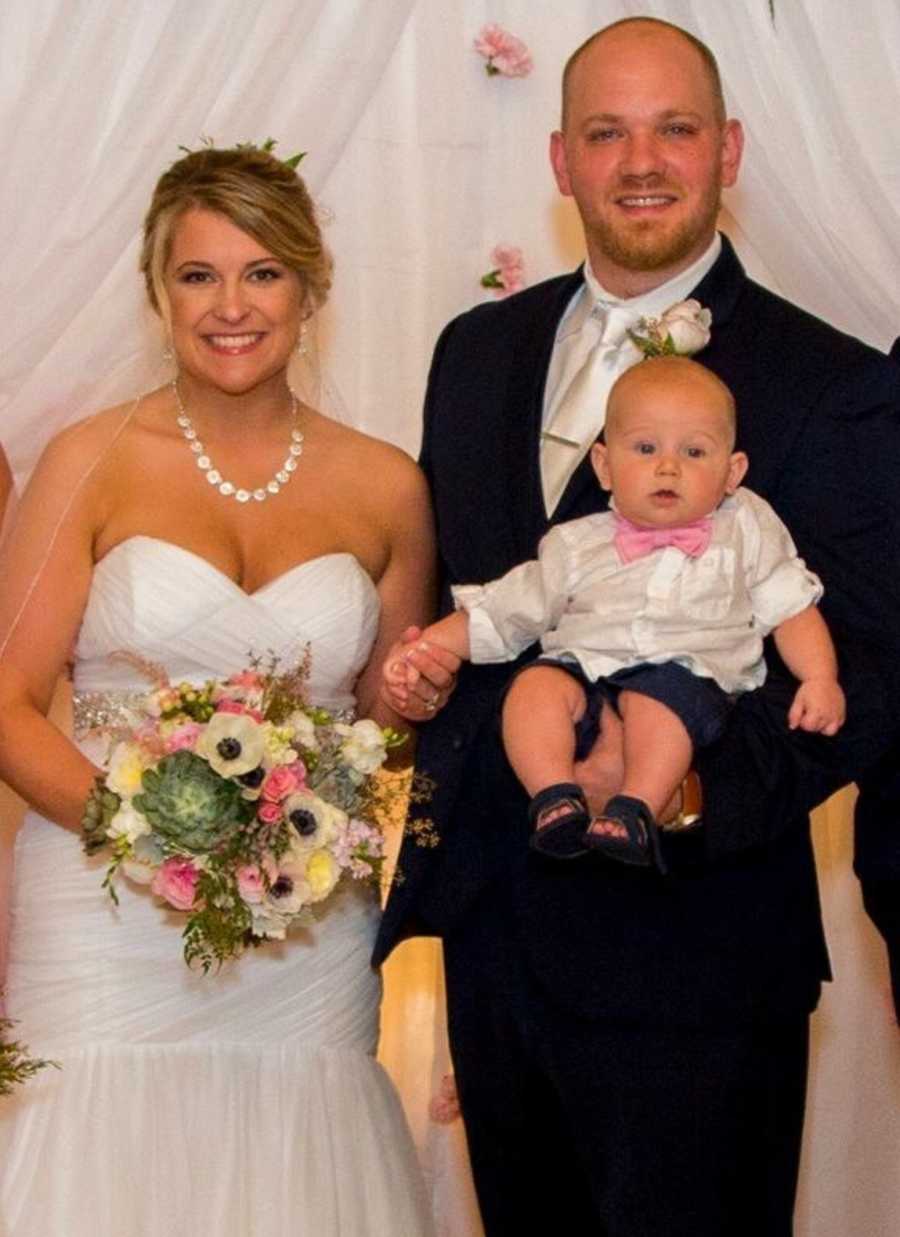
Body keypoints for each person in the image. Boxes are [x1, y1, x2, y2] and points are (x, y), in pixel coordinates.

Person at [376, 17, 900, 1237]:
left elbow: (866, 672)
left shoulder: (830, 381)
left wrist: (688, 796)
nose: (641, 160)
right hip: (498, 948)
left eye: (673, 129)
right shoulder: (475, 352)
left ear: (729, 148)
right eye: (607, 132)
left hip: (700, 960)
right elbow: (477, 599)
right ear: (560, 161)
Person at [0, 145, 435, 1235]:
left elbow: (384, 729)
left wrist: (394, 723)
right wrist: (148, 835)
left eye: (263, 272)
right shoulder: (90, 460)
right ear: (158, 293)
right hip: (106, 917)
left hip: (304, 929)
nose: (231, 306)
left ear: (310, 285)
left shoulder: (388, 483)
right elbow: (4, 697)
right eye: (198, 275)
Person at [391, 357, 844, 866]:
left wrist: (819, 678)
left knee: (657, 705)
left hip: (686, 674)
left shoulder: (746, 528)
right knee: (533, 689)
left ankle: (636, 808)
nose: (667, 467)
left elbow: (791, 608)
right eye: (645, 448)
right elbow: (508, 610)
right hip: (585, 667)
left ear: (732, 471)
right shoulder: (575, 544)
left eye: (694, 451)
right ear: (605, 466)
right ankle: (553, 796)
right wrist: (434, 646)